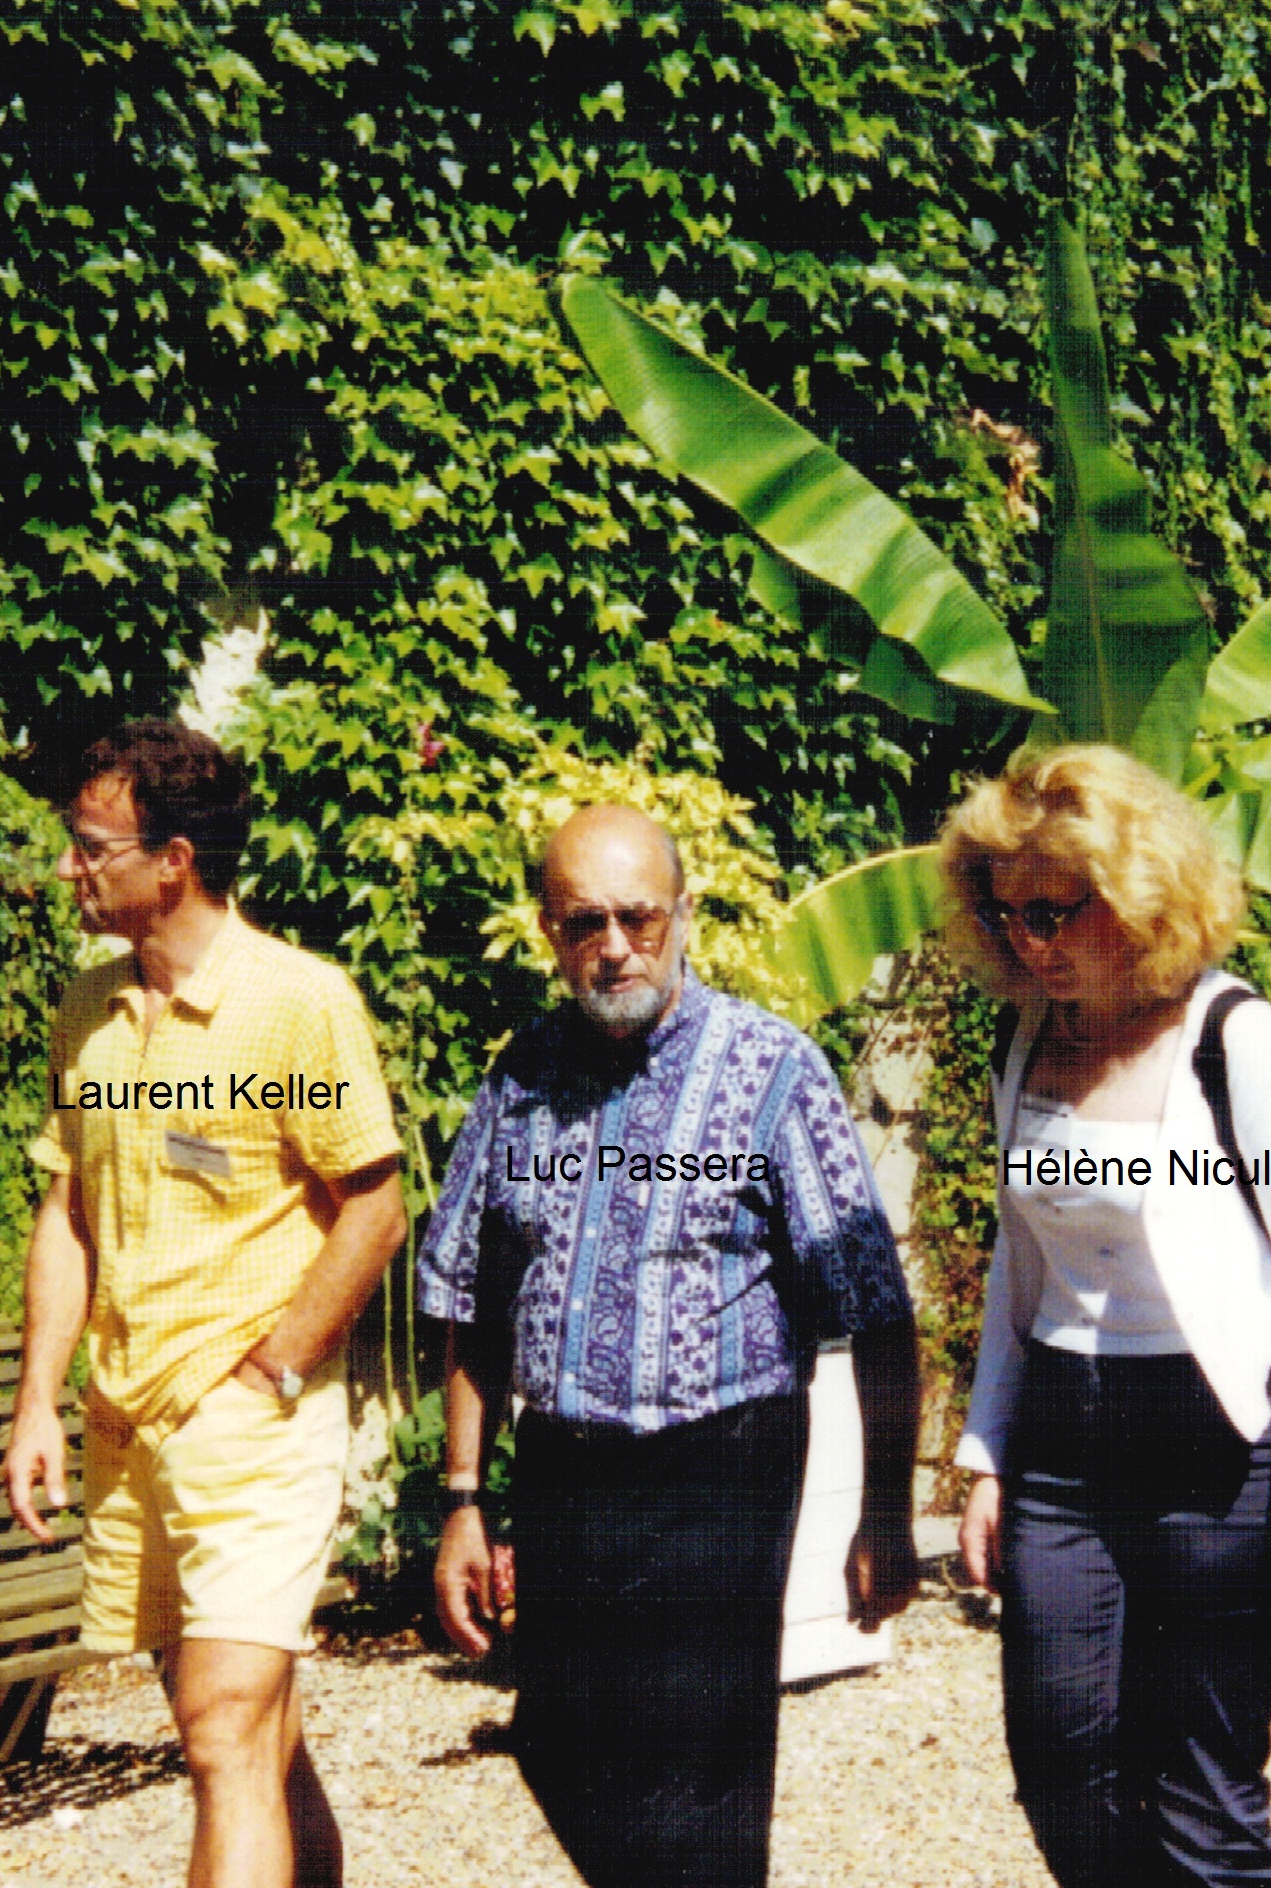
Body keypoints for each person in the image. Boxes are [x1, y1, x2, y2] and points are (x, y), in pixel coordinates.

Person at [419, 803, 920, 1888]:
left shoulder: (772, 1072)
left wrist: (884, 1510)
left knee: (696, 1784)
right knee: (559, 1745)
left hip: (720, 1462)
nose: (614, 947)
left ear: (684, 915)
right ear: (550, 932)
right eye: (584, 922)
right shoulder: (520, 1079)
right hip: (564, 1469)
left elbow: (876, 1306)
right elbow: (472, 1293)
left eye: (638, 918)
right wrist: (463, 1498)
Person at [937, 746, 1271, 1888]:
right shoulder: (1027, 1038)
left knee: (1203, 1801)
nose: (1030, 941)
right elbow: (1019, 1261)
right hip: (1063, 1446)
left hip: (1215, 1445)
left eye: (1054, 912)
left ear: (1137, 894)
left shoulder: (1239, 1042)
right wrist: (987, 1455)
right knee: (1061, 1768)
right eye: (1008, 912)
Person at [0, 716, 404, 1888]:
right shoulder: (89, 1010)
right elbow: (68, 1211)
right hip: (132, 1427)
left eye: (91, 847)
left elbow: (374, 1208)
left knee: (221, 1729)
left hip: (252, 1424)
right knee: (251, 1730)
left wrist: (275, 1365)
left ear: (172, 861)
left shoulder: (297, 1003)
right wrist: (38, 1402)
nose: (68, 867)